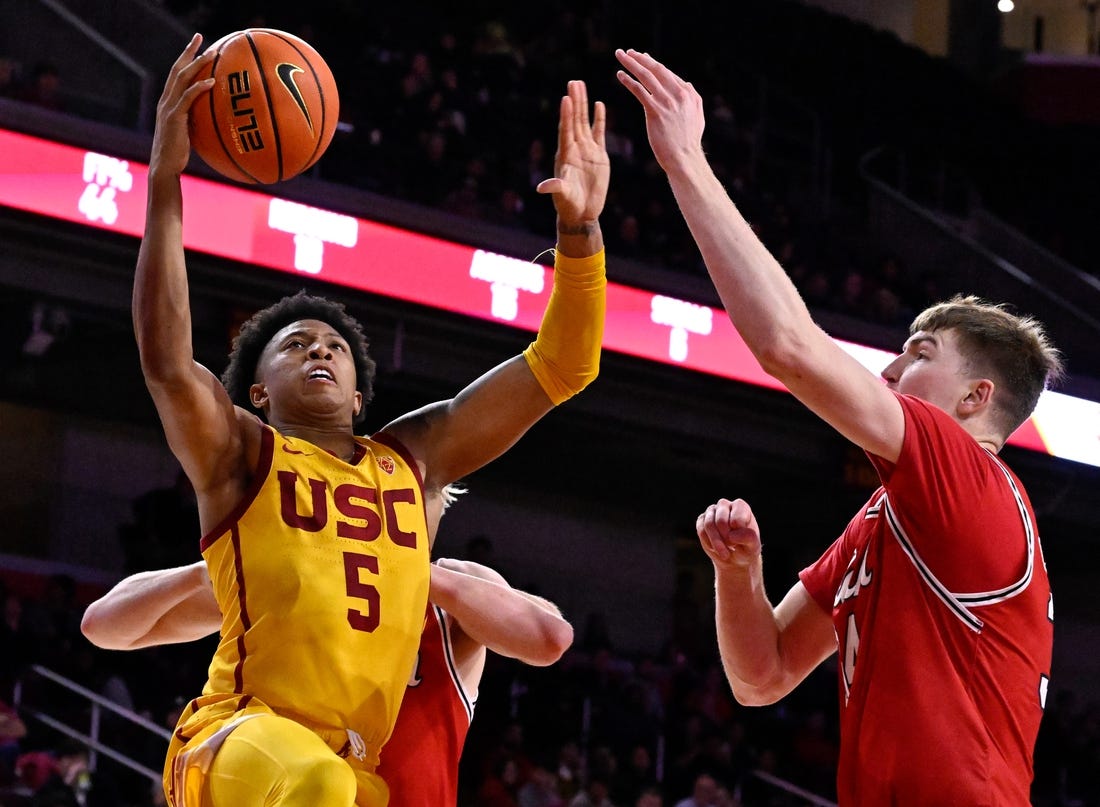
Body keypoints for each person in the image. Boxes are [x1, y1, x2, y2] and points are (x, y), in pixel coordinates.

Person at [133, 33, 606, 807]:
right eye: (295, 344)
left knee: (339, 786)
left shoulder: (410, 457)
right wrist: (165, 182)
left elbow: (563, 366)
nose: (319, 348)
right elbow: (164, 359)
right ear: (257, 392)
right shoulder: (239, 457)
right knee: (314, 781)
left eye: (335, 347)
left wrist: (581, 237)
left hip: (352, 767)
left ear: (359, 397)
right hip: (231, 738)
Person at [615, 49, 1061, 805]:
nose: (888, 374)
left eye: (917, 355)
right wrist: (738, 576)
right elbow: (763, 676)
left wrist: (687, 163)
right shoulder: (887, 519)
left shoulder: (974, 483)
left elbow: (788, 346)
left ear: (976, 397)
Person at [81, 554, 574, 807]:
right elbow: (102, 626)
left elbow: (549, 638)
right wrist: (202, 569)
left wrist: (419, 572)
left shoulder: (454, 593)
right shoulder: (295, 575)